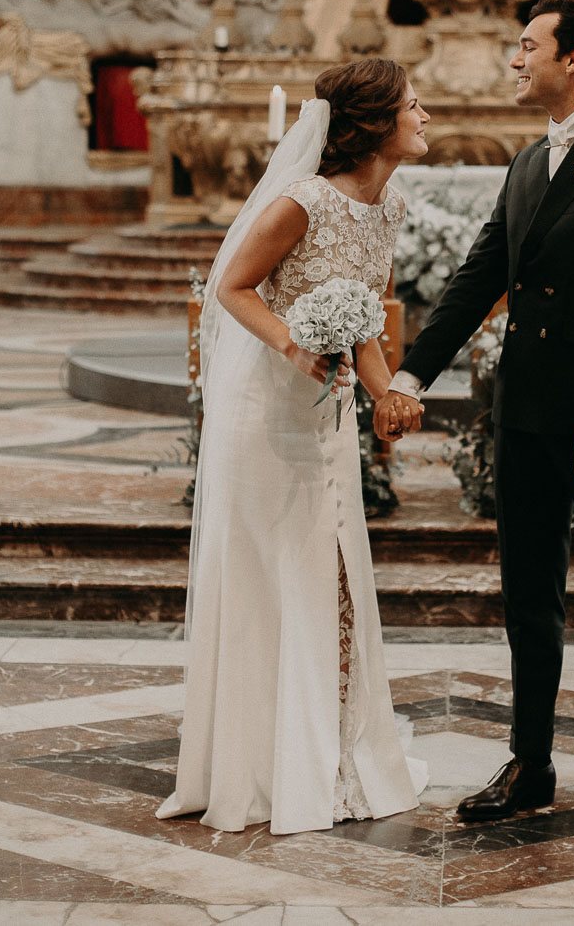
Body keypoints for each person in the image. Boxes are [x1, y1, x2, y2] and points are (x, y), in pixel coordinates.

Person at [375, 0, 574, 840]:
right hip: (525, 418)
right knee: (527, 599)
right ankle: (532, 762)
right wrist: (408, 373)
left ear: (573, 59)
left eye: (527, 46)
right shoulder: (525, 163)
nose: (515, 60)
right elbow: (478, 279)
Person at [157, 59, 430, 834]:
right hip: (265, 410)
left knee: (331, 569)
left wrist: (387, 396)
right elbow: (232, 285)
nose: (427, 116)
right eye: (415, 105)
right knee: (270, 572)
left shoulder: (390, 207)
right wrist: (293, 348)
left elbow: (361, 318)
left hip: (329, 412)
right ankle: (260, 766)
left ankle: (327, 750)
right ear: (376, 123)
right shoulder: (301, 203)